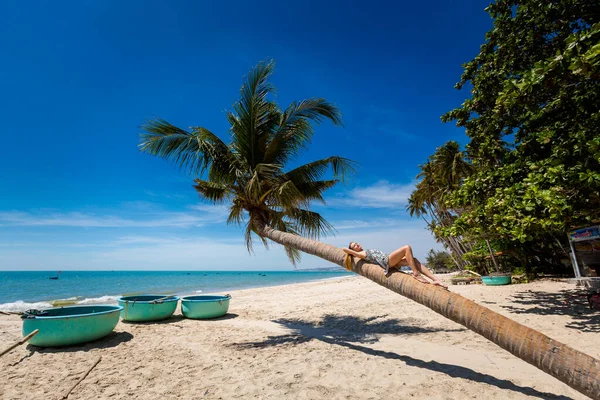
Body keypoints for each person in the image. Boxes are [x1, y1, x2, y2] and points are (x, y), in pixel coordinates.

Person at [343, 242, 448, 288]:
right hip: (387, 261)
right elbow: (345, 250)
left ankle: (435, 279)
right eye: (354, 246)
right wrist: (350, 251)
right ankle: (416, 274)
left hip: (390, 260)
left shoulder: (364, 251)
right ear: (353, 250)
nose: (357, 244)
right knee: (407, 248)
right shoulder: (360, 254)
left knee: (414, 260)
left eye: (356, 243)